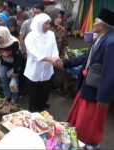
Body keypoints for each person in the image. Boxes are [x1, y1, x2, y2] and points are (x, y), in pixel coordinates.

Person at [63, 8, 114, 149]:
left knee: (90, 124)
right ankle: (80, 144)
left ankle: (88, 145)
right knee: (80, 122)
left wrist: (103, 97)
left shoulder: (111, 42)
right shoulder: (100, 38)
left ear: (102, 25)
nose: (94, 23)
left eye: (96, 20)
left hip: (96, 91)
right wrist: (64, 62)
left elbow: (110, 72)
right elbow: (86, 58)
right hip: (87, 85)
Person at [24, 13, 62, 112]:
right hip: (33, 72)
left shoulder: (51, 34)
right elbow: (34, 53)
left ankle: (42, 117)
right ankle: (33, 116)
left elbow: (54, 49)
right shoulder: (30, 36)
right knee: (33, 99)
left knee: (43, 97)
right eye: (46, 24)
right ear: (39, 24)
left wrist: (56, 58)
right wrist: (50, 60)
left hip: (46, 72)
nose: (48, 26)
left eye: (49, 23)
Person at [19, 3, 45, 98]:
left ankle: (37, 93)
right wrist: (25, 52)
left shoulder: (46, 25)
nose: (36, 15)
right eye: (34, 12)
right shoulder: (27, 23)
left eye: (38, 13)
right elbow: (21, 38)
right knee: (26, 73)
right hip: (28, 55)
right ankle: (25, 91)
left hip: (41, 56)